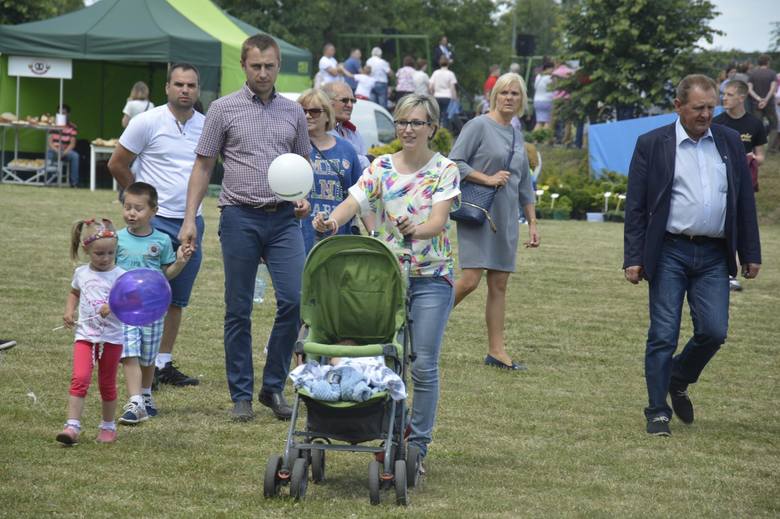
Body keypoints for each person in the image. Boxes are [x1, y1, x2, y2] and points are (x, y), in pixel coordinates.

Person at [313, 93, 460, 468]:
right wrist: (332, 220)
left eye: (416, 123)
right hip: (386, 280)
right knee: (385, 359)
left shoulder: (445, 170)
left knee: (423, 364)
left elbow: (439, 221)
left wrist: (418, 229)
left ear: (433, 128)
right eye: (402, 122)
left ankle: (417, 446)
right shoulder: (380, 167)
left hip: (431, 277)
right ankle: (396, 429)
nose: (407, 130)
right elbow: (355, 200)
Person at [179, 34, 312, 423]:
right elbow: (203, 166)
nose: (264, 72)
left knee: (295, 300)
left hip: (285, 219)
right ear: (244, 65)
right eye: (256, 66)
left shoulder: (294, 112)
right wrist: (190, 218)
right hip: (240, 216)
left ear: (278, 65)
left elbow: (302, 164)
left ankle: (272, 387)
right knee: (238, 309)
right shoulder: (223, 109)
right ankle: (241, 394)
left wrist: (304, 198)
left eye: (270, 66)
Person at [623, 74, 761, 437]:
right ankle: (657, 410)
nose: (705, 114)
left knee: (714, 331)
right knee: (663, 334)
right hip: (669, 250)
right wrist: (633, 257)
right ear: (678, 107)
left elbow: (744, 201)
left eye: (710, 107)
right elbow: (636, 207)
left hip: (715, 253)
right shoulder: (652, 144)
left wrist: (750, 252)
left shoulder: (729, 142)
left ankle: (678, 376)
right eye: (698, 107)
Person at [108, 63, 205, 389]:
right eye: (179, 84)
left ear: (198, 89)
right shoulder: (146, 121)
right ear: (166, 87)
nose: (185, 90)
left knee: (177, 297)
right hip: (156, 222)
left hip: (192, 219)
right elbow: (116, 163)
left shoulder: (207, 126)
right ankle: (136, 359)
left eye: (191, 85)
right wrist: (140, 202)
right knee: (144, 294)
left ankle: (163, 362)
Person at [450, 72, 539, 371]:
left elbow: (524, 183)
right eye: (504, 93)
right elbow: (454, 163)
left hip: (506, 219)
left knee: (499, 283)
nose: (510, 98)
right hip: (479, 214)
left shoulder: (516, 134)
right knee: (470, 281)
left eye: (515, 93)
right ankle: (419, 322)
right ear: (495, 96)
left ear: (522, 99)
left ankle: (497, 351)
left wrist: (533, 223)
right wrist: (486, 178)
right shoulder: (478, 125)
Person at [116, 182, 192, 424]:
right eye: (127, 207)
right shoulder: (117, 239)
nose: (131, 213)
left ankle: (146, 395)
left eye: (138, 208)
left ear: (153, 211)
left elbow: (164, 274)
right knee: (129, 352)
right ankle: (135, 400)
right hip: (126, 309)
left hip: (152, 309)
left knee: (148, 357)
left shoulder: (161, 241)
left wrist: (180, 262)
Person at [57, 218, 125, 445]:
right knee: (80, 378)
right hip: (86, 336)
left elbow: (131, 302)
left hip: (112, 338)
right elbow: (74, 292)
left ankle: (108, 427)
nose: (105, 259)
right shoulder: (81, 273)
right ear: (87, 250)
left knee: (107, 382)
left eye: (110, 253)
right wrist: (69, 311)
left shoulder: (121, 276)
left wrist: (114, 304)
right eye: (99, 254)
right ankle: (72, 426)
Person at [713, 79, 766, 292]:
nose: (724, 98)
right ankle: (724, 271)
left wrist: (751, 157)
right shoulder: (717, 122)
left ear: (741, 97)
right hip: (720, 183)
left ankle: (733, 272)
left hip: (743, 183)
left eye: (729, 94)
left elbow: (761, 156)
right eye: (724, 94)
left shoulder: (754, 124)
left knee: (740, 225)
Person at [297, 88, 362, 253]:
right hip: (299, 236)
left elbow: (360, 195)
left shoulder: (347, 150)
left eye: (315, 111)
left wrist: (374, 235)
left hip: (339, 236)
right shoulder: (291, 146)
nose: (307, 116)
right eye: (302, 111)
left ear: (328, 114)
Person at [323, 81, 370, 170]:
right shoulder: (319, 130)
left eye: (353, 101)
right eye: (344, 100)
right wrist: (366, 160)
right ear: (327, 103)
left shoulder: (352, 131)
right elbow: (341, 159)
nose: (350, 105)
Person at [747, 55, 777, 150]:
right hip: (769, 104)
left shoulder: (753, 74)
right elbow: (773, 89)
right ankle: (771, 148)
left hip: (756, 104)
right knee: (774, 124)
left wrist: (759, 99)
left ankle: (756, 148)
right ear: (767, 62)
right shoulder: (772, 73)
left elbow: (749, 89)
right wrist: (765, 100)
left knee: (756, 126)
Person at [47, 104, 79, 187]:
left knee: (75, 156)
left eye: (64, 113)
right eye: (59, 113)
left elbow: (72, 144)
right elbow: (50, 142)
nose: (62, 115)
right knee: (48, 154)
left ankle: (74, 183)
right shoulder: (53, 126)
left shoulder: (72, 127)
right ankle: (49, 181)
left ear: (68, 114)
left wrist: (64, 152)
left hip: (66, 151)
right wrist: (56, 150)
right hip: (54, 150)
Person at [428, 57, 458, 128]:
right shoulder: (450, 74)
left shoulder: (435, 73)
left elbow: (430, 86)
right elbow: (452, 88)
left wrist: (432, 94)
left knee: (437, 115)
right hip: (447, 96)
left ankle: (436, 131)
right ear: (448, 63)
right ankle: (444, 131)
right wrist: (455, 98)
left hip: (437, 96)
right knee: (445, 115)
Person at [533, 61, 554, 131]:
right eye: (552, 69)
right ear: (548, 68)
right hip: (547, 101)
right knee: (547, 122)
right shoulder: (550, 77)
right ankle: (544, 139)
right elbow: (554, 88)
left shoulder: (538, 76)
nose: (553, 71)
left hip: (537, 101)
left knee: (539, 122)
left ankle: (534, 138)